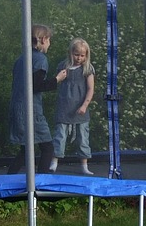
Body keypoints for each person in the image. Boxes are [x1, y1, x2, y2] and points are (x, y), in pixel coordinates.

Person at [7, 24, 67, 174]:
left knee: (26, 149)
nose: (49, 43)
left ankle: (9, 177)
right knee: (47, 147)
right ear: (42, 39)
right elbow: (36, 85)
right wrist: (57, 79)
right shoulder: (40, 59)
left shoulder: (21, 58)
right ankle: (42, 178)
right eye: (48, 40)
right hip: (30, 110)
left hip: (18, 107)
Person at [50, 38, 96, 175]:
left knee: (83, 138)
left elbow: (90, 89)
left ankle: (84, 165)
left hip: (80, 109)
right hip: (64, 107)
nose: (79, 58)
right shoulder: (63, 66)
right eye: (77, 54)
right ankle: (54, 162)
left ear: (86, 56)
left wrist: (85, 105)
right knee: (59, 136)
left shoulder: (87, 69)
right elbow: (57, 81)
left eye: (82, 55)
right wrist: (59, 77)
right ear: (71, 53)